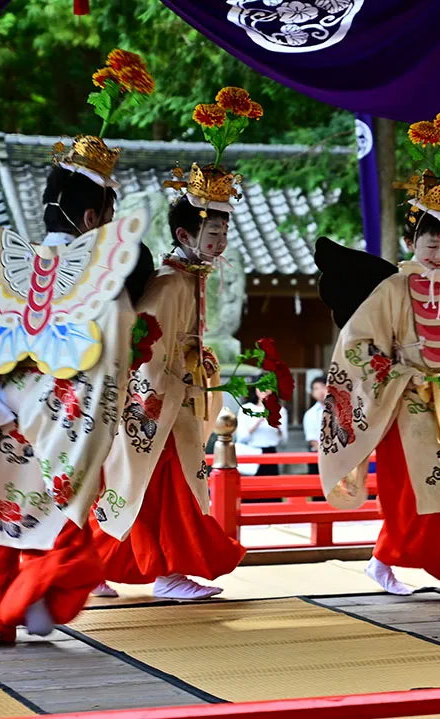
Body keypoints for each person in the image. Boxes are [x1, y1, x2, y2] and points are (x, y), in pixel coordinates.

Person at [0, 51, 155, 643]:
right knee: (56, 517)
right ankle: (32, 598)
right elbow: (104, 374)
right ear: (92, 215)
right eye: (108, 216)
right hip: (53, 431)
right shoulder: (100, 288)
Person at [316, 111, 440, 599]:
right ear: (411, 240)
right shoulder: (394, 289)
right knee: (414, 494)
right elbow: (357, 344)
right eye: (431, 241)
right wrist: (399, 373)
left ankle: (394, 561)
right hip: (404, 403)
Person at [91, 94, 260, 601]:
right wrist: (171, 382)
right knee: (152, 483)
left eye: (224, 230)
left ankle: (114, 565)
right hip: (157, 401)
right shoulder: (169, 283)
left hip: (177, 398)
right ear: (185, 233)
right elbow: (143, 345)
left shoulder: (190, 277)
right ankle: (157, 570)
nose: (220, 241)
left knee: (161, 484)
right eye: (212, 231)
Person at [236, 388, 286, 476]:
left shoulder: (280, 410)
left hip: (270, 452)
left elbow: (284, 440)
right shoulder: (246, 408)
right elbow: (241, 437)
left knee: (271, 482)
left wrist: (276, 425)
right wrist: (258, 421)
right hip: (251, 451)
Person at [303, 376, 326, 475]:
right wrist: (327, 456)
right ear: (312, 393)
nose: (320, 391)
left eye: (323, 387)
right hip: (318, 455)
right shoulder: (310, 413)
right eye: (316, 389)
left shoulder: (339, 410)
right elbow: (312, 440)